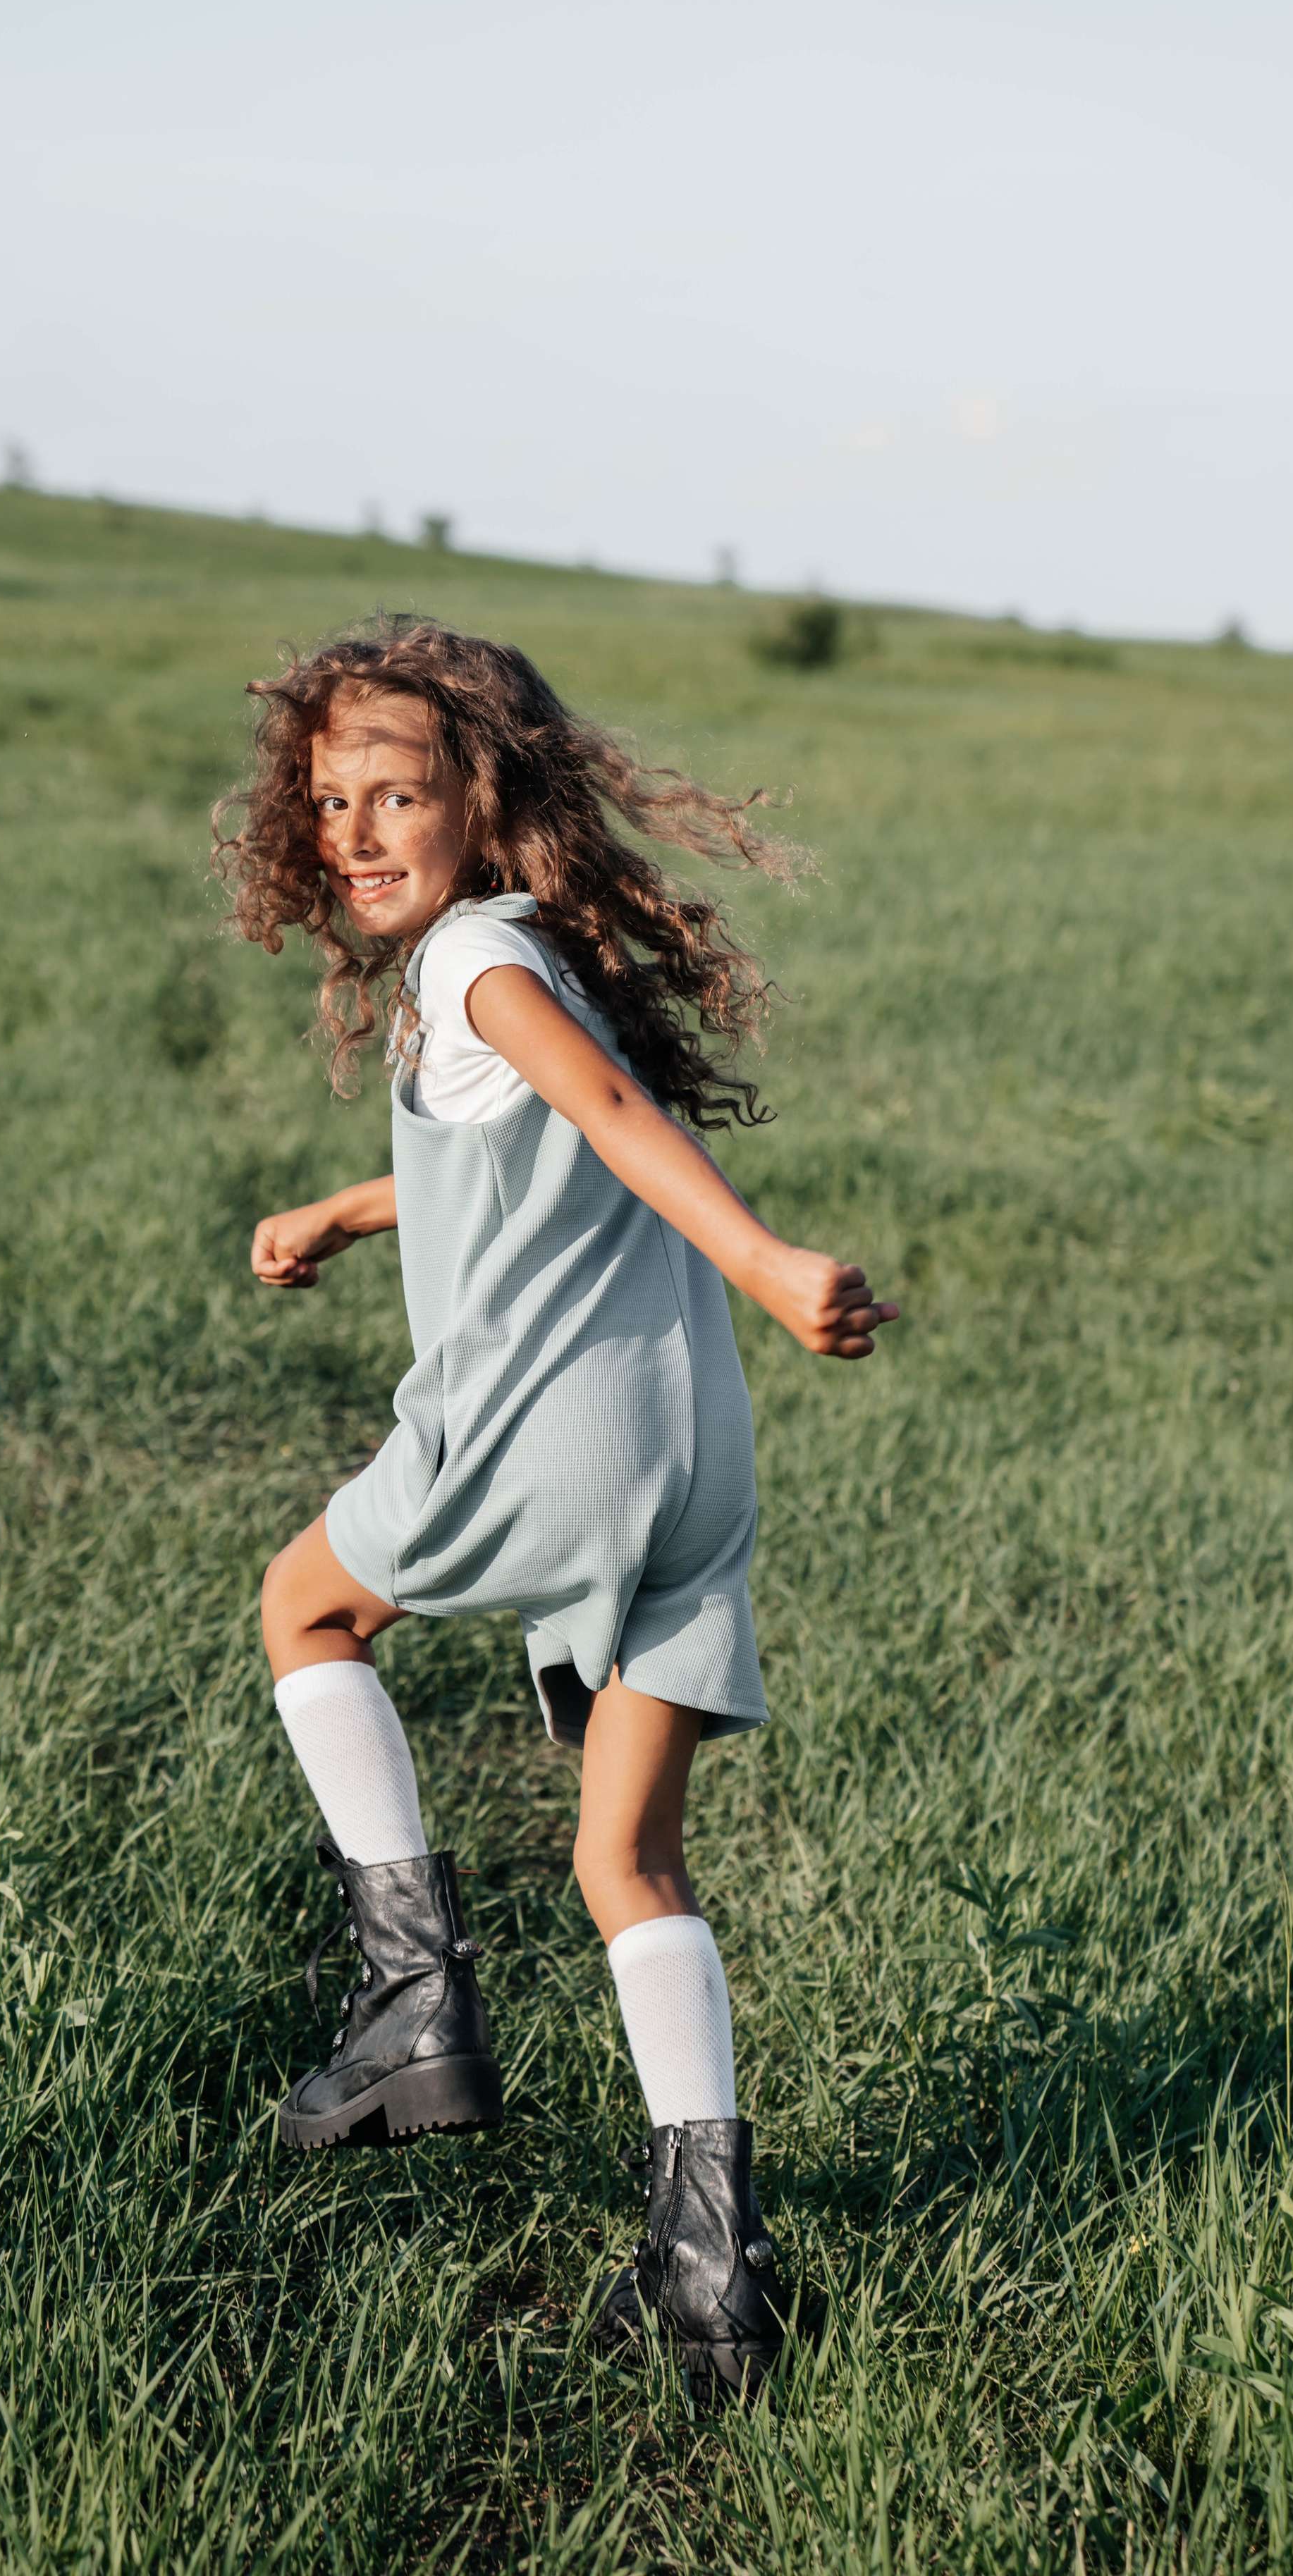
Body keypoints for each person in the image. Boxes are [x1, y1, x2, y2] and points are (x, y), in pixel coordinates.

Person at [215, 616, 895, 2402]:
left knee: (305, 1607)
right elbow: (515, 1141)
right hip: (694, 1458)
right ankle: (710, 2276)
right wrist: (347, 1215)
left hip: (550, 1431)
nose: (358, 832)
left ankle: (413, 2003)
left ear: (480, 802)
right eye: (331, 801)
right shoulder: (525, 956)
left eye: (398, 796)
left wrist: (759, 1258)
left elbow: (594, 1110)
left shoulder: (469, 964)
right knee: (626, 1862)